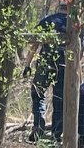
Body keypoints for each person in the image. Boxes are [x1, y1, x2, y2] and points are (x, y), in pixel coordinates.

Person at [28, 12, 68, 140]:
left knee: (38, 94)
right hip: (64, 66)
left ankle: (38, 127)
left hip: (45, 63)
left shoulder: (47, 20)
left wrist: (27, 64)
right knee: (59, 99)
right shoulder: (73, 23)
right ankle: (56, 134)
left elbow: (34, 44)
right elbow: (80, 50)